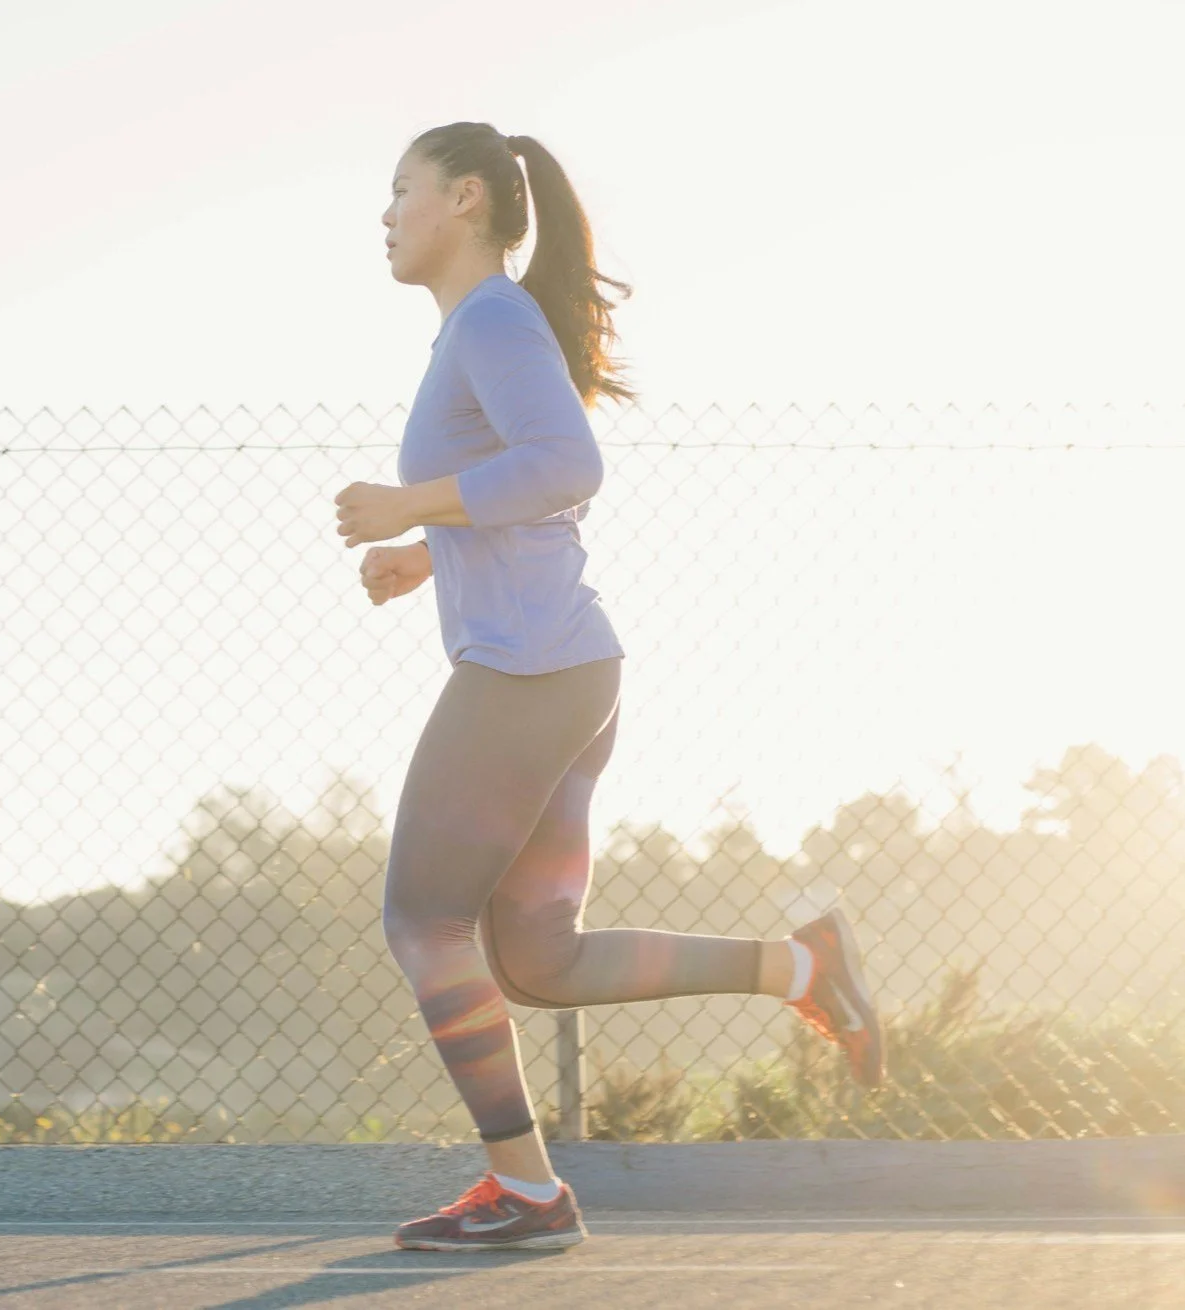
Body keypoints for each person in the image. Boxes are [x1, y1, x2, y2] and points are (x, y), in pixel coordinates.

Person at [333, 121, 884, 1253]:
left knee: (423, 916)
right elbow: (534, 492)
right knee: (536, 956)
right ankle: (802, 964)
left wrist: (409, 504)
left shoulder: (487, 316)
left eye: (401, 190)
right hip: (568, 669)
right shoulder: (477, 329)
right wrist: (426, 550)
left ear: (468, 199)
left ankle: (528, 1192)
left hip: (529, 672)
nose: (383, 214)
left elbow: (568, 464)